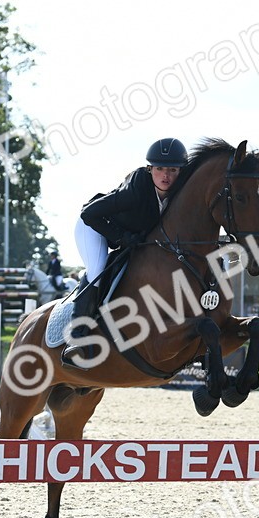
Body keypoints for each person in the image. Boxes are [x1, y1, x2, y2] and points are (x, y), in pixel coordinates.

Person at [64, 137, 188, 364]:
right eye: (159, 169)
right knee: (97, 269)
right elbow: (89, 213)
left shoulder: (180, 193)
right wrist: (121, 237)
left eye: (173, 169)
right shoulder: (136, 188)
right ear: (150, 169)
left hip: (128, 237)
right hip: (95, 227)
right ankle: (77, 336)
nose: (166, 176)